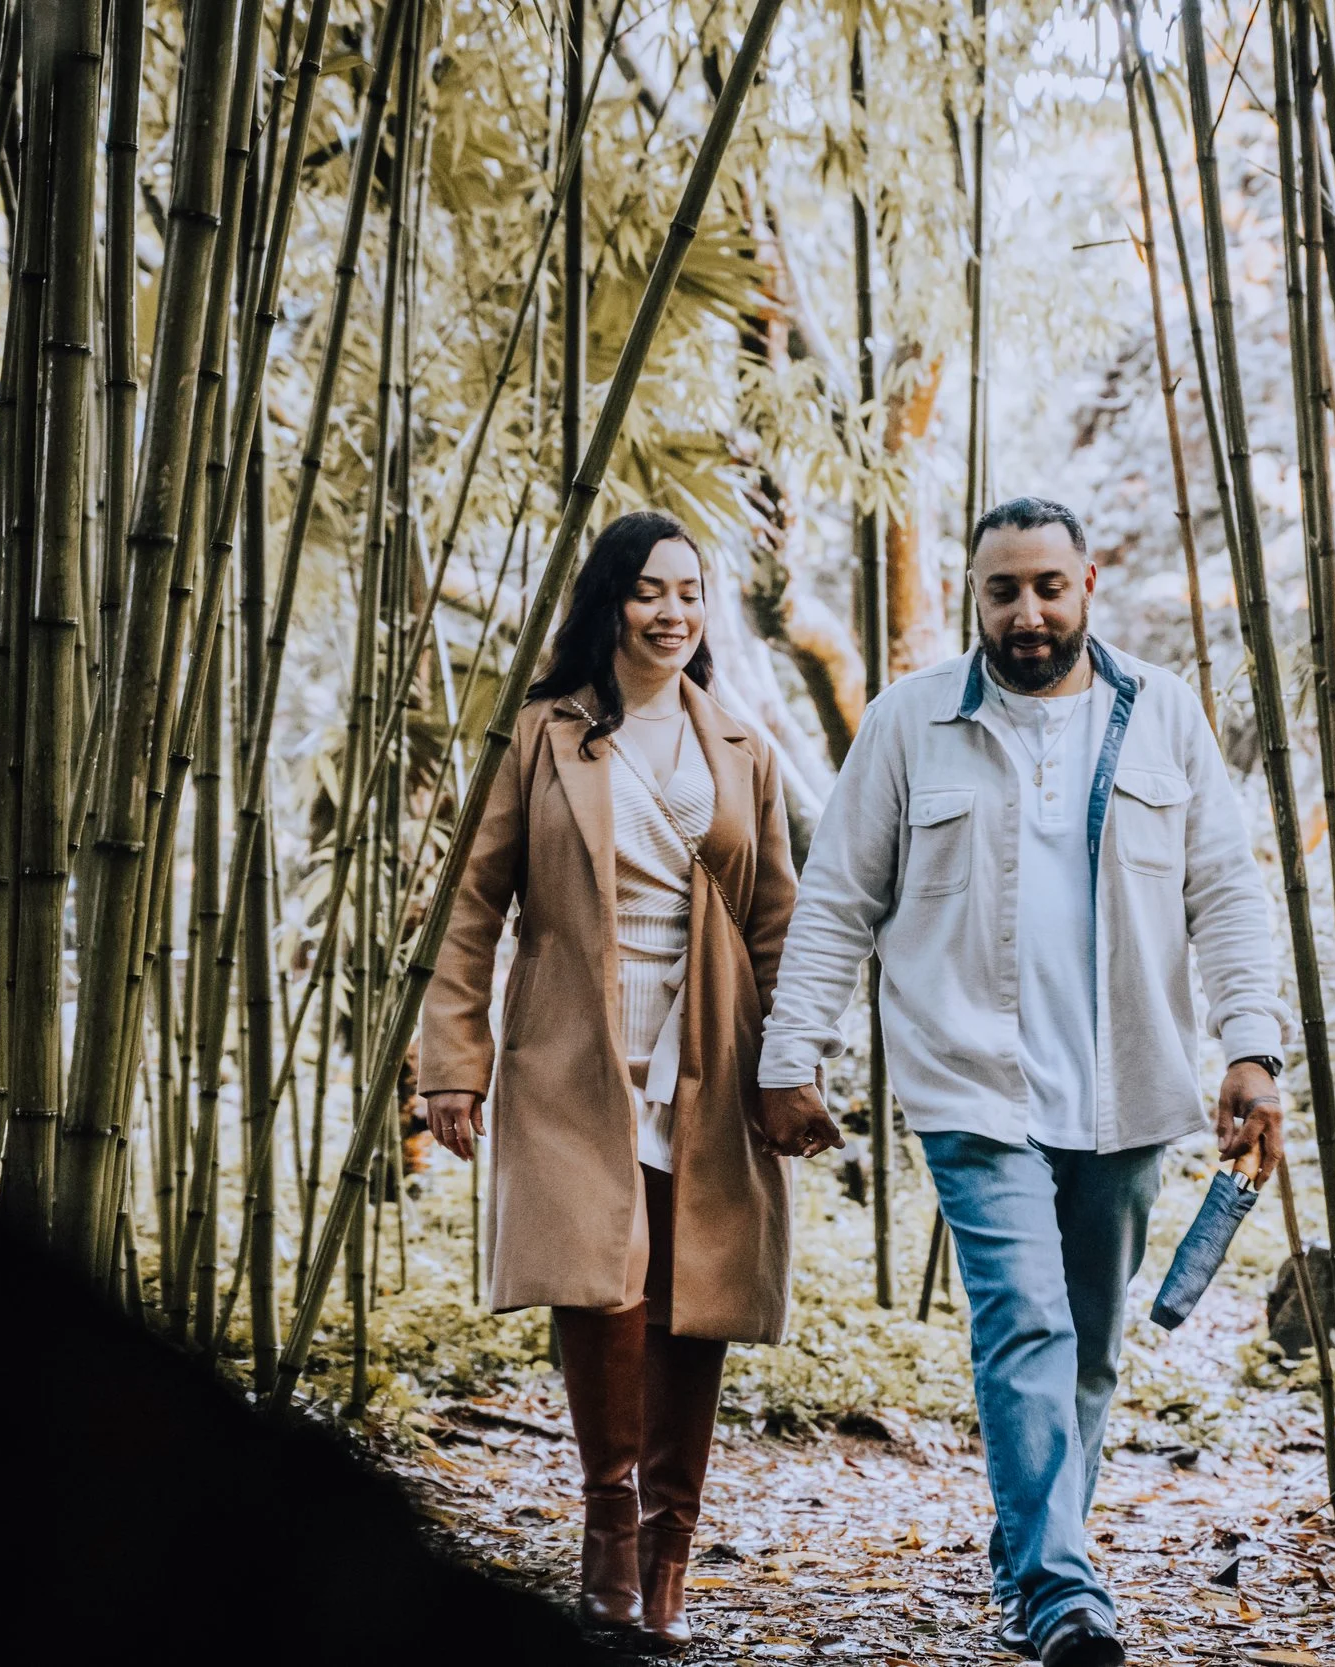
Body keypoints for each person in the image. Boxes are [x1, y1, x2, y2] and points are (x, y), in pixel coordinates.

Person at [757, 498, 1288, 1667]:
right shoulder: (908, 722)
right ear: (973, 595)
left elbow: (1227, 893)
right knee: (1026, 1326)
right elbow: (838, 900)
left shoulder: (1164, 717)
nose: (1028, 611)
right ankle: (1060, 1592)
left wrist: (1250, 1044)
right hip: (971, 1084)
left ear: (1089, 582)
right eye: (1004, 590)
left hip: (1126, 1087)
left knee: (1089, 1346)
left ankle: (1033, 1548)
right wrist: (790, 1057)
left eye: (1049, 584)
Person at [420, 510, 842, 1652]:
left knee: (691, 1290)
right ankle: (609, 1543)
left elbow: (778, 923)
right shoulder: (544, 734)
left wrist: (791, 1065)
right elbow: (472, 905)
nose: (673, 611)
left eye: (691, 592)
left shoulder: (741, 748)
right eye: (650, 589)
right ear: (610, 601)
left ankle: (668, 1562)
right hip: (575, 1047)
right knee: (604, 1282)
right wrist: (449, 1065)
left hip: (710, 1042)